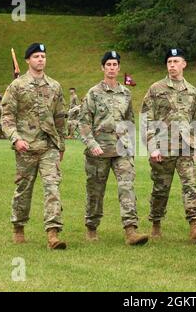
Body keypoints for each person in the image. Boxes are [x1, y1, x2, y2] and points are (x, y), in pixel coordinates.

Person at [141, 48, 196, 244]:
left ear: (184, 64)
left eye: (175, 61)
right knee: (160, 189)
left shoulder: (193, 92)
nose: (172, 65)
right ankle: (156, 222)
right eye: (169, 62)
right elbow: (147, 119)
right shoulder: (156, 89)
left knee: (190, 185)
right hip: (162, 147)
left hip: (186, 148)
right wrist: (152, 146)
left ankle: (195, 226)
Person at [78, 51, 148, 246]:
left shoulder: (126, 93)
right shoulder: (93, 93)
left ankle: (130, 230)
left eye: (114, 64)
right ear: (102, 68)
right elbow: (83, 122)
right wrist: (91, 145)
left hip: (121, 149)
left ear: (118, 68)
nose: (111, 68)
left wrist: (131, 146)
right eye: (108, 64)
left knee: (127, 186)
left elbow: (129, 121)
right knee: (96, 190)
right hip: (99, 149)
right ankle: (91, 227)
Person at [1, 43, 67, 250]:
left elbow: (60, 118)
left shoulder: (55, 86)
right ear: (28, 60)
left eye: (43, 56)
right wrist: (15, 139)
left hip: (49, 147)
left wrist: (61, 145)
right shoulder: (17, 86)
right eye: (36, 56)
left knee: (52, 187)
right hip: (26, 147)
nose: (40, 59)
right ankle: (18, 226)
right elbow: (7, 116)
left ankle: (53, 233)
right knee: (24, 190)